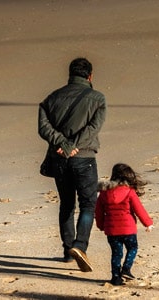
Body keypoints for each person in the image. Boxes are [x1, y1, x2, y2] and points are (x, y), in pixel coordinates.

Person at [38, 57, 106, 272]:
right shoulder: (98, 98)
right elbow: (94, 127)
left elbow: (43, 127)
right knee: (88, 204)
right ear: (90, 76)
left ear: (70, 75)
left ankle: (68, 250)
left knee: (67, 205)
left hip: (60, 158)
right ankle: (80, 246)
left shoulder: (52, 98)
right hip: (84, 158)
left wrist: (62, 144)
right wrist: (74, 145)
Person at [95, 163, 154, 286]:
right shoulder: (129, 192)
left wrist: (101, 225)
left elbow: (98, 212)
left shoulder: (104, 194)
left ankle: (115, 277)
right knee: (132, 248)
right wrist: (148, 223)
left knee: (116, 253)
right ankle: (126, 269)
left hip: (112, 230)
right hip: (128, 229)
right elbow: (139, 209)